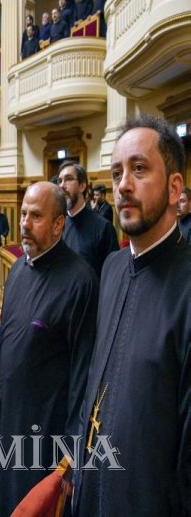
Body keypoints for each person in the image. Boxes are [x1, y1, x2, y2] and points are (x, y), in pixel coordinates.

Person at [70, 117, 191, 515]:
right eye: (117, 172)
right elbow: (97, 378)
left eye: (139, 169)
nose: (123, 185)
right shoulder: (112, 268)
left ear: (175, 188)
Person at [0, 182, 98, 517]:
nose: (24, 223)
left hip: (45, 431)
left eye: (35, 216)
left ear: (58, 224)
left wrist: (71, 456)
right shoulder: (18, 269)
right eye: (22, 214)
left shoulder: (81, 281)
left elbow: (84, 375)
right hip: (8, 419)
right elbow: (4, 343)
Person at [58, 162, 117, 273]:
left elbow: (112, 275)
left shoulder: (103, 228)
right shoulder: (58, 224)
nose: (62, 185)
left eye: (68, 179)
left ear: (82, 186)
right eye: (60, 181)